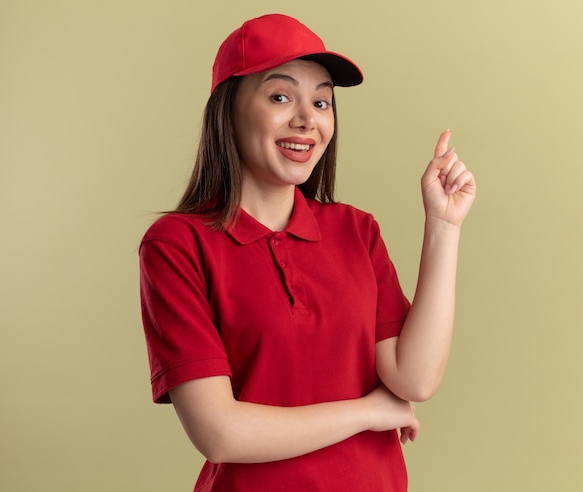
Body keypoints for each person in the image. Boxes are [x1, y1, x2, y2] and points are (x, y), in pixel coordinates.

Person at [139, 13, 476, 492]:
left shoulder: (356, 230)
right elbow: (219, 433)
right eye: (280, 96)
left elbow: (413, 379)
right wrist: (369, 412)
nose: (307, 120)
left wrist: (443, 227)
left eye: (322, 101)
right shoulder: (176, 245)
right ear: (228, 109)